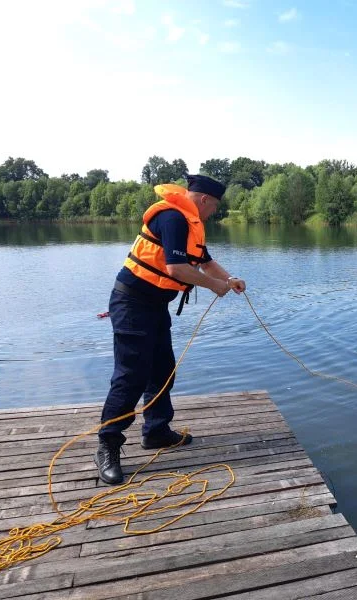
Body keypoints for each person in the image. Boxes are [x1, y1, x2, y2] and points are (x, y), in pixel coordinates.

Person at [94, 174, 246, 485]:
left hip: (154, 305)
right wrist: (216, 286)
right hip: (132, 303)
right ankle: (107, 444)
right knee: (131, 375)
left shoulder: (190, 223)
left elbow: (204, 262)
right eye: (215, 206)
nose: (214, 212)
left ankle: (156, 432)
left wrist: (229, 279)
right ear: (204, 200)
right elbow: (176, 269)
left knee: (163, 369)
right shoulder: (172, 218)